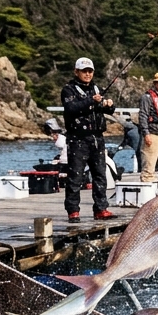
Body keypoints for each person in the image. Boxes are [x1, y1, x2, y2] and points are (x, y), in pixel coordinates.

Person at [60, 57, 116, 222]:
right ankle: (73, 211)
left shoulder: (96, 88)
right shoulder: (68, 89)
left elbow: (108, 110)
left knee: (100, 175)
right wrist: (91, 101)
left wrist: (108, 105)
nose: (87, 74)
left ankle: (101, 208)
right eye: (84, 71)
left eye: (90, 71)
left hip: (97, 137)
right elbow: (71, 108)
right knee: (75, 176)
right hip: (78, 138)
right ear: (76, 72)